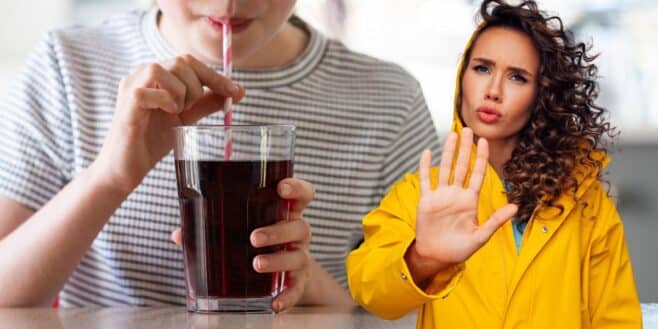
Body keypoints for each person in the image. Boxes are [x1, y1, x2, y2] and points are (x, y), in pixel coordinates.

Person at [0, 0, 442, 311]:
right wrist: (111, 176)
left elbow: (429, 313)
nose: (230, 3)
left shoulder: (390, 102)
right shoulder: (68, 65)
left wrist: (312, 287)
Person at [346, 0, 642, 327]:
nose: (493, 90)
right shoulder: (423, 193)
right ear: (462, 79)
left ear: (541, 96)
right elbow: (368, 288)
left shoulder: (586, 201)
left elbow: (617, 319)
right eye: (482, 68)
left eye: (517, 77)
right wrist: (423, 259)